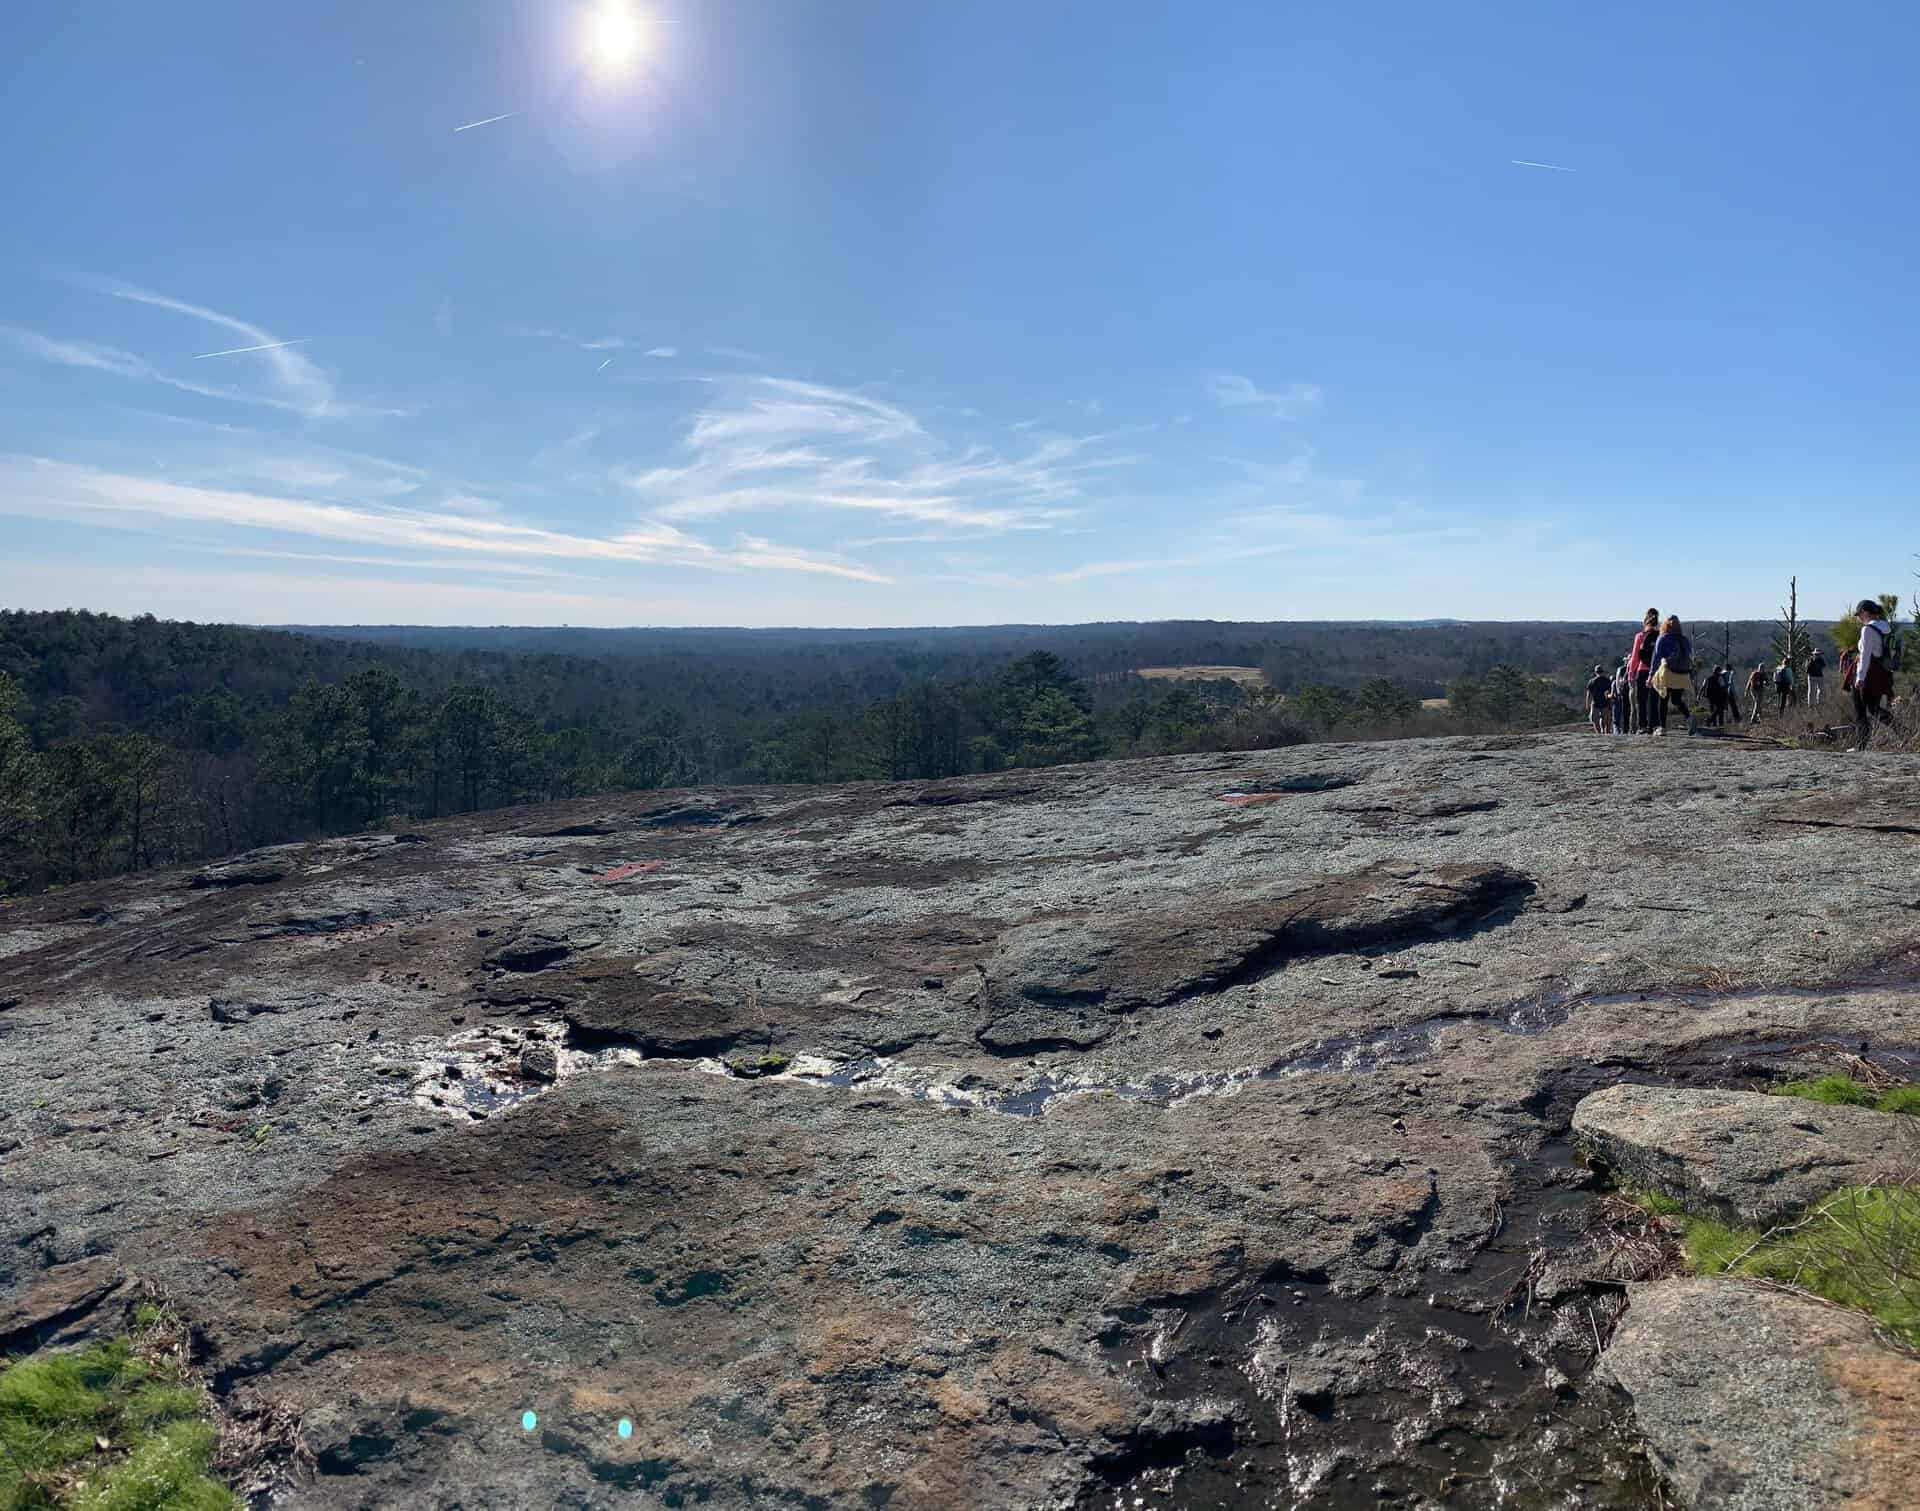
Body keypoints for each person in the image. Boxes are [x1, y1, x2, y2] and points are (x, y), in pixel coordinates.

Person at [1849, 599, 1897, 751]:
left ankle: (1860, 746)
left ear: (1865, 612)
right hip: (1882, 672)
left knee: (1861, 711)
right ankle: (1902, 731)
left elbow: (1865, 656)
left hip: (1869, 674)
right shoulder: (1885, 627)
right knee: (1873, 708)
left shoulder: (1867, 630)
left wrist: (1860, 678)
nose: (1858, 618)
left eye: (1859, 614)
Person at [1647, 614, 1694, 735]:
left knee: (1663, 700)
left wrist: (1651, 675)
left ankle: (1662, 727)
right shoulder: (1684, 640)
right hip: (1682, 675)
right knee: (1677, 700)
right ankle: (1689, 718)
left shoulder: (1663, 638)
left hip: (1667, 673)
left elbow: (1656, 658)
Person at [1626, 609, 1660, 735]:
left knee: (1642, 701)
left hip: (1642, 670)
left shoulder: (1640, 636)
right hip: (1656, 671)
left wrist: (1631, 673)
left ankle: (1642, 726)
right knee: (1654, 700)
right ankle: (1654, 725)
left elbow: (1635, 656)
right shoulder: (1660, 636)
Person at [1585, 664, 1611, 734]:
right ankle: (1605, 733)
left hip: (1595, 702)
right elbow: (1610, 692)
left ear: (1596, 672)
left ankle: (1598, 733)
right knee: (1605, 720)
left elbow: (1589, 694)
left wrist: (1587, 704)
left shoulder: (1591, 681)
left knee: (1594, 719)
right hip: (1605, 703)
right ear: (1603, 672)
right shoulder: (1607, 680)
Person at [1611, 662, 1631, 734]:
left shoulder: (1621, 670)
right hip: (1623, 696)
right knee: (1623, 713)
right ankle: (1622, 730)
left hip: (1620, 698)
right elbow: (1617, 681)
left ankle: (1620, 730)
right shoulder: (1622, 669)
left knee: (1619, 716)